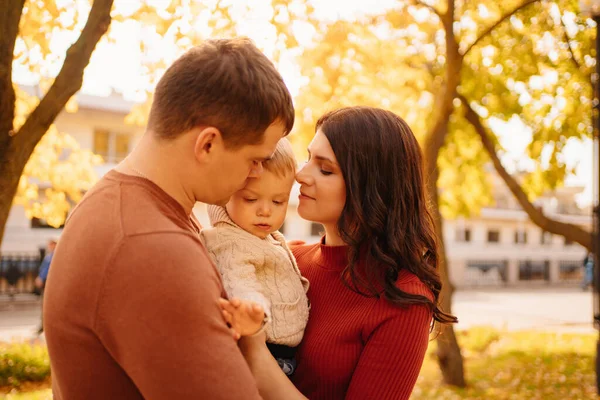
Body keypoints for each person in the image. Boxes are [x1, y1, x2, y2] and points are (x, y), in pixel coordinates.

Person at [43, 38, 294, 399]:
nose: (256, 173)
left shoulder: (121, 205)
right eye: (254, 159)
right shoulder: (151, 245)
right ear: (207, 144)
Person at [222, 106, 458, 400]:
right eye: (308, 158)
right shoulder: (286, 258)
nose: (300, 175)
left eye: (325, 169)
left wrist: (255, 348)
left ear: (371, 186)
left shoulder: (403, 299)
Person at [201, 138, 310, 377]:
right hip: (266, 352)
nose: (265, 210)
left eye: (278, 201)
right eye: (251, 199)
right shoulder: (228, 242)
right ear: (227, 192)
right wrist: (252, 311)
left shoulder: (261, 236)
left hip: (282, 353)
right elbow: (238, 279)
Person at [34, 239, 57, 334]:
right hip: (47, 283)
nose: (49, 246)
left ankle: (45, 326)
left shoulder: (53, 256)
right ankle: (44, 325)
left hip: (49, 283)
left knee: (46, 304)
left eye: (51, 244)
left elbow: (47, 270)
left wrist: (41, 278)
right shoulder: (49, 256)